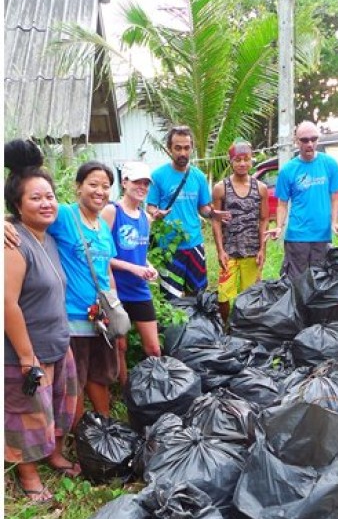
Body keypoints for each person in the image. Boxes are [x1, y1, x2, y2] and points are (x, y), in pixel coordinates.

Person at [4, 139, 80, 502]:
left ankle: (52, 454)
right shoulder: (13, 242)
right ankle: (28, 475)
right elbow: (7, 302)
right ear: (17, 206)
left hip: (56, 343)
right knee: (26, 412)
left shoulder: (47, 236)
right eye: (35, 198)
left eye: (49, 195)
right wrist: (24, 356)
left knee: (55, 406)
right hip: (27, 349)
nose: (47, 203)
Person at [46, 162, 122, 425]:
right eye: (93, 184)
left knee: (99, 375)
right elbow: (29, 218)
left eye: (106, 186)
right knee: (74, 380)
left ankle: (104, 430)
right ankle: (79, 439)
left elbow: (106, 270)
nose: (100, 191)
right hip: (72, 318)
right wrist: (7, 225)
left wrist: (115, 304)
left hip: (100, 319)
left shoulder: (102, 226)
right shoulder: (65, 215)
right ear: (78, 187)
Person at [146, 125, 230, 299]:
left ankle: (196, 326)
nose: (182, 152)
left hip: (194, 243)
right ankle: (175, 327)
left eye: (186, 147)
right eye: (178, 148)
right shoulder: (158, 175)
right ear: (170, 149)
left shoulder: (198, 176)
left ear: (191, 148)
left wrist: (214, 213)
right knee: (170, 296)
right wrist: (157, 213)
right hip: (168, 246)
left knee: (197, 294)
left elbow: (203, 208)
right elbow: (150, 206)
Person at [101, 161, 160, 385]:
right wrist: (133, 268)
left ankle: (157, 387)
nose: (142, 187)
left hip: (139, 290)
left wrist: (149, 267)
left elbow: (138, 253)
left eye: (146, 183)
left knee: (153, 347)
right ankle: (126, 391)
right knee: (120, 346)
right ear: (124, 182)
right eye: (137, 182)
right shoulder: (111, 212)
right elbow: (101, 255)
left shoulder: (145, 217)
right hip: (116, 289)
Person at [268, 121, 338, 280]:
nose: (309, 143)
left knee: (320, 282)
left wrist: (334, 223)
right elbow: (282, 204)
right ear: (296, 141)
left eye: (314, 139)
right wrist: (279, 226)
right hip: (297, 237)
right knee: (296, 283)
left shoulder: (330, 164)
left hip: (322, 236)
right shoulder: (288, 170)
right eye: (304, 140)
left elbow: (335, 199)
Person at [211, 139, 270, 323]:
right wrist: (220, 250)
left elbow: (263, 219)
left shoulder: (261, 188)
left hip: (252, 251)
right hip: (229, 252)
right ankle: (225, 327)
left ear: (252, 160)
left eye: (246, 159)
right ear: (231, 162)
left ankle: (247, 330)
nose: (242, 163)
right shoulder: (221, 188)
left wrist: (262, 249)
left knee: (251, 296)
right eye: (238, 159)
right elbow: (215, 221)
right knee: (223, 296)